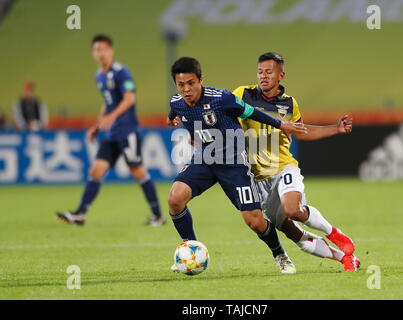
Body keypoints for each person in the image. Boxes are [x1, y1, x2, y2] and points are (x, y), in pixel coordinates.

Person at [167, 57, 306, 273]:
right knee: (175, 199)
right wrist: (172, 118)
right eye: (181, 84)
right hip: (205, 159)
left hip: (234, 163)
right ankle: (191, 250)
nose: (186, 89)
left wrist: (281, 124)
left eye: (191, 83)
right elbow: (174, 112)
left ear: (201, 80)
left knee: (255, 221)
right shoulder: (176, 102)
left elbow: (251, 112)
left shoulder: (221, 98)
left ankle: (279, 254)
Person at [233, 52, 360, 272]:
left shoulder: (289, 104)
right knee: (291, 231)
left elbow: (302, 132)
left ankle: (333, 232)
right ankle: (346, 259)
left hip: (284, 168)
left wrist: (335, 128)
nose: (263, 76)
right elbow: (219, 107)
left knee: (293, 209)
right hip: (257, 179)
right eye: (260, 72)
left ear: (280, 75)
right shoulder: (243, 94)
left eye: (269, 72)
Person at [56, 34, 165, 226]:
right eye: (97, 50)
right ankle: (80, 214)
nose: (101, 53)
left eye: (104, 49)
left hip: (128, 130)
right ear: (92, 53)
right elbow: (107, 104)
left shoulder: (121, 72)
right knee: (96, 169)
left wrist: (111, 117)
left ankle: (158, 216)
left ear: (111, 51)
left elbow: (130, 98)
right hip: (112, 133)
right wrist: (97, 126)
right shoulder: (99, 76)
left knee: (137, 171)